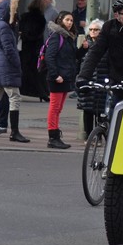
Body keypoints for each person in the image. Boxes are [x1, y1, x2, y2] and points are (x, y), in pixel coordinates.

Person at [0, 0, 30, 143]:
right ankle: (14, 132)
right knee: (14, 98)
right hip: (7, 67)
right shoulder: (4, 27)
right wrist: (17, 65)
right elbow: (9, 49)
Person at [45, 11, 78, 149]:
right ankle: (53, 137)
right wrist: (55, 75)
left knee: (58, 109)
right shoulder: (57, 36)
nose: (69, 23)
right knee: (54, 108)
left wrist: (83, 49)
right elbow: (49, 57)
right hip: (57, 78)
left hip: (65, 77)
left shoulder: (68, 37)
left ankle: (55, 135)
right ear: (60, 21)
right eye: (67, 20)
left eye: (71, 20)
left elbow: (72, 56)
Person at [76, 19, 108, 138]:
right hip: (88, 82)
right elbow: (78, 59)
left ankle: (99, 136)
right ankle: (88, 136)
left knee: (101, 112)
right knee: (88, 111)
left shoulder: (105, 45)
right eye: (91, 29)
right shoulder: (86, 44)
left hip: (101, 81)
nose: (93, 32)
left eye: (96, 29)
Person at [18, 0, 50, 100]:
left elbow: (21, 30)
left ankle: (23, 90)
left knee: (24, 69)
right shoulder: (41, 19)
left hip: (24, 47)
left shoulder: (24, 16)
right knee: (36, 71)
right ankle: (42, 93)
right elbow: (38, 34)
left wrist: (25, 37)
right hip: (35, 48)